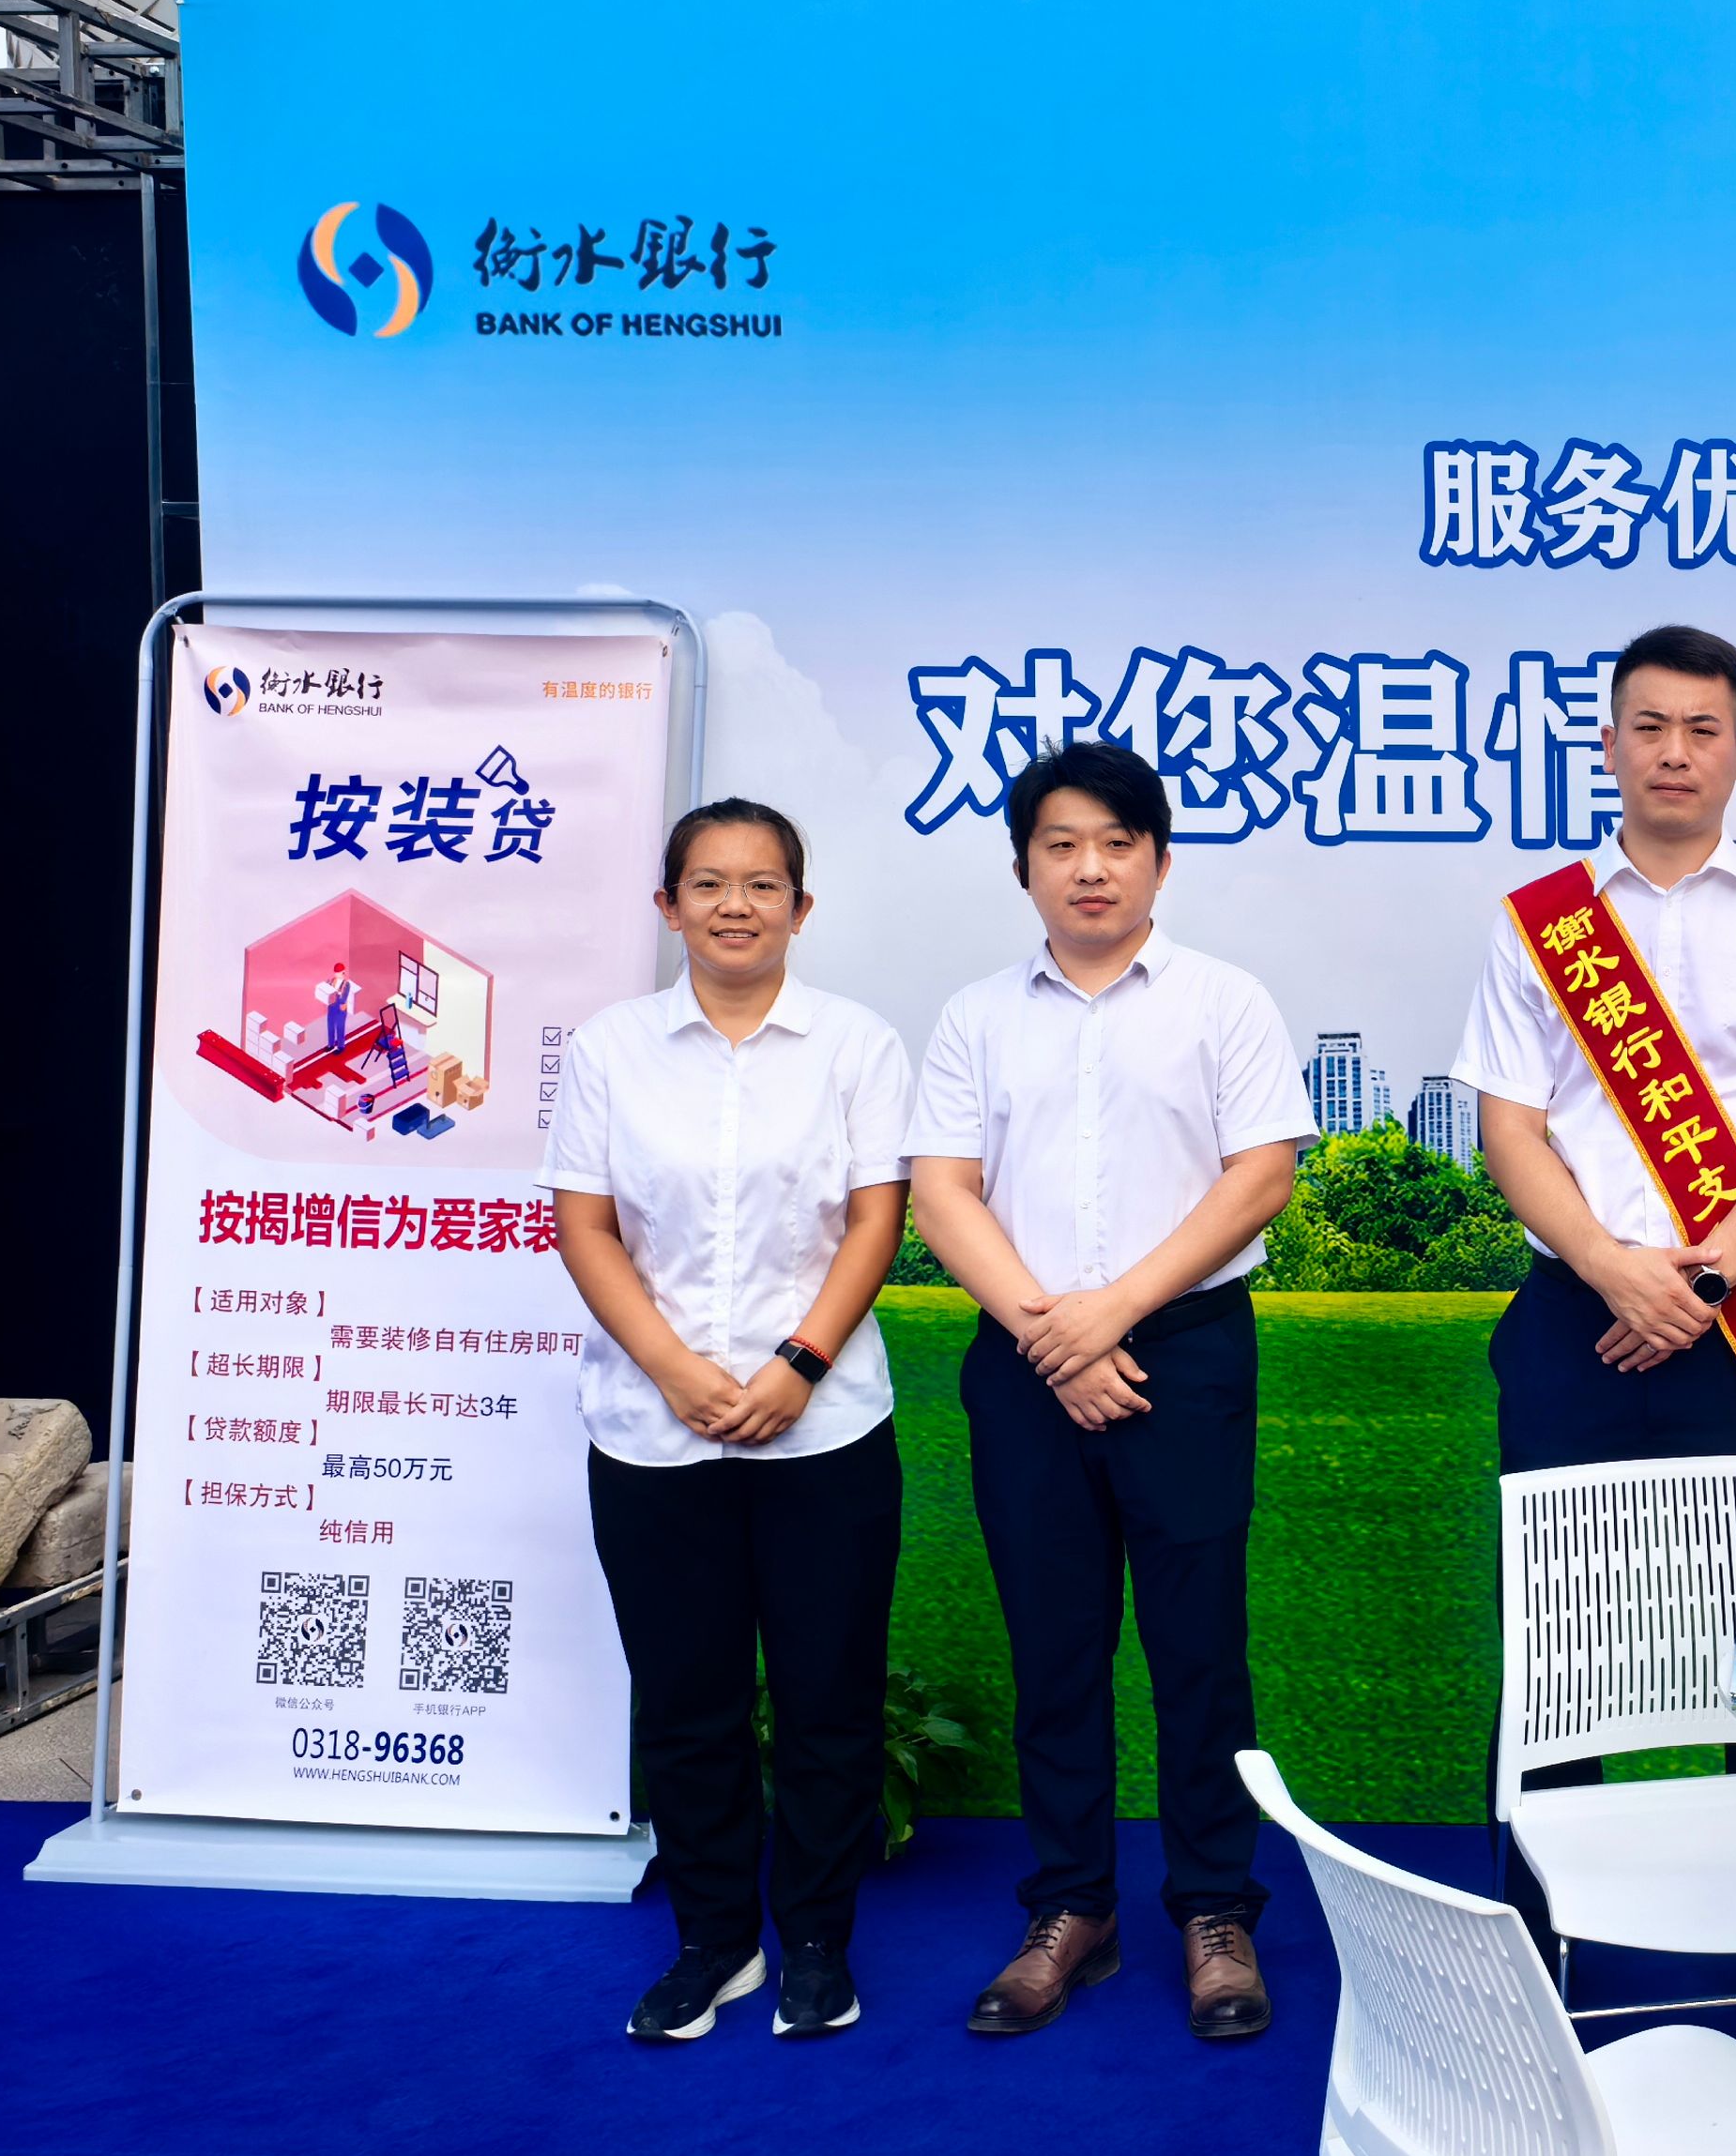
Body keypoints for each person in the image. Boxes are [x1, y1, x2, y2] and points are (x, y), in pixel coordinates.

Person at [1450, 622, 1736, 2052]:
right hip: (1577, 1314)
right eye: (1650, 727)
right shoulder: (1542, 924)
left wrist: (1702, 1275)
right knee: (1558, 1635)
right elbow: (1510, 1127)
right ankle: (1540, 1932)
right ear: (1610, 744)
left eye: (1704, 729)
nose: (1676, 753)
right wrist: (1611, 1268)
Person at [906, 740, 1317, 2042]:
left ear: (1160, 861)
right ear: (1023, 867)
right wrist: (1054, 1339)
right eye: (1061, 845)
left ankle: (1216, 1911)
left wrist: (1111, 1315)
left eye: (1117, 843)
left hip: (1184, 1354)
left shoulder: (1224, 1001)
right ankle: (1071, 1909)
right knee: (1055, 1647)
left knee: (1199, 1649)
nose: (1091, 868)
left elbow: (1260, 1177)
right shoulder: (977, 1016)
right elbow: (942, 1193)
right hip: (1026, 1358)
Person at [547, 798, 911, 2045]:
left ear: (800, 910)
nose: (735, 906)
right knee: (686, 1698)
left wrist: (797, 1364)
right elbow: (584, 1223)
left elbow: (876, 1217)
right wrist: (673, 1370)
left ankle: (815, 1942)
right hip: (651, 1432)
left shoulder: (856, 1044)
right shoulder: (612, 1049)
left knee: (827, 1696)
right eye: (708, 884)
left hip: (826, 1427)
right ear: (669, 906)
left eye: (762, 885)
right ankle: (715, 1942)